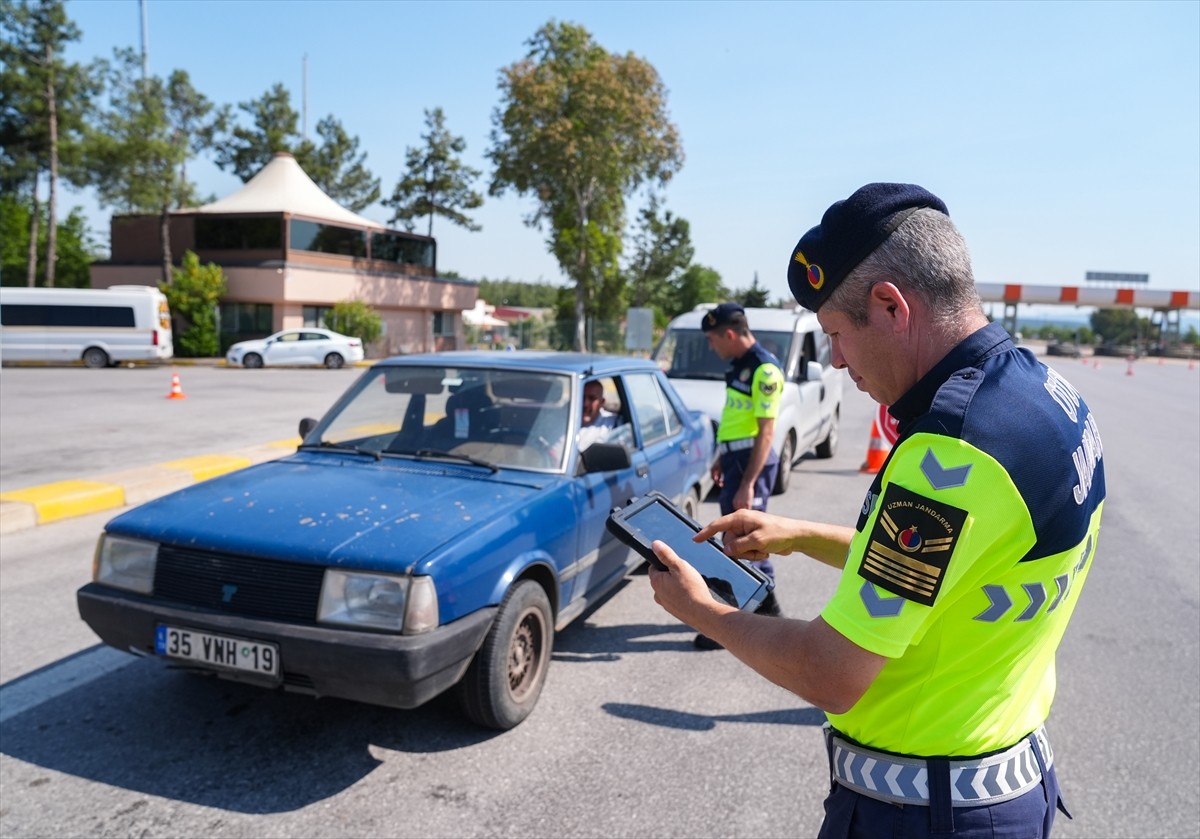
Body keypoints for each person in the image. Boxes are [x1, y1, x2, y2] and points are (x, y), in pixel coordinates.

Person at [648, 183, 1104, 838]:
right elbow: (944, 569)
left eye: (837, 332)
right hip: (1001, 782)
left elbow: (832, 672)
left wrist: (703, 610)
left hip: (924, 813)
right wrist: (800, 533)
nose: (835, 357)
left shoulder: (951, 456)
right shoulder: (1045, 394)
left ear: (890, 306)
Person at [694, 302, 785, 649]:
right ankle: (751, 618)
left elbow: (765, 433)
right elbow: (737, 418)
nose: (711, 347)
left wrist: (747, 483)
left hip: (751, 464)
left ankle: (766, 622)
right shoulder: (739, 366)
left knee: (749, 543)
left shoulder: (764, 371)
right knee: (734, 544)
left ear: (729, 334)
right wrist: (722, 455)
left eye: (712, 340)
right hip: (735, 460)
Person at [577, 379, 620, 450]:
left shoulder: (612, 424)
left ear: (602, 402)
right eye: (582, 397)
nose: (585, 404)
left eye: (592, 398)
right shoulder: (562, 419)